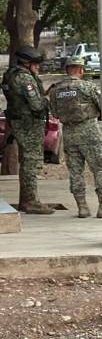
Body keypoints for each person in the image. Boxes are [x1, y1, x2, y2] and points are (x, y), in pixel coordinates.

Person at [48, 57, 102, 218]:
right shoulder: (88, 87)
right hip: (90, 132)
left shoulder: (56, 91)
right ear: (81, 70)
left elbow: (55, 113)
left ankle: (82, 207)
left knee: (75, 172)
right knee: (99, 169)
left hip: (69, 133)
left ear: (66, 70)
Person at [1, 46, 52, 214]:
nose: (38, 67)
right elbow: (37, 105)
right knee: (31, 163)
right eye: (35, 64)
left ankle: (27, 200)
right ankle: (31, 201)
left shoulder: (10, 75)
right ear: (26, 63)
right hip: (29, 125)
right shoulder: (25, 79)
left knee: (26, 163)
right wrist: (48, 99)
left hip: (18, 123)